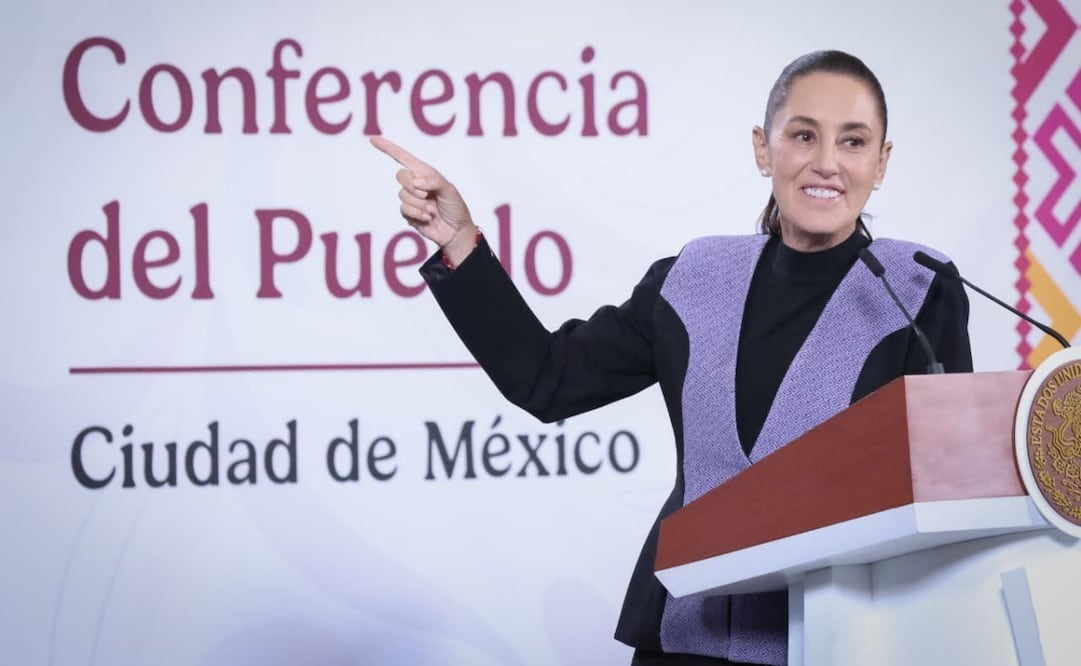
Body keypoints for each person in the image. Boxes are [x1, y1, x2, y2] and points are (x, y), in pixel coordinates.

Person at [371, 50, 972, 666]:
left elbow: (950, 496)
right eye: (802, 136)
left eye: (852, 141)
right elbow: (546, 379)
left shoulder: (919, 287)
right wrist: (460, 243)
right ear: (764, 149)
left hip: (839, 641)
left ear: (881, 162)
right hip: (683, 639)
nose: (826, 163)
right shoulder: (693, 278)